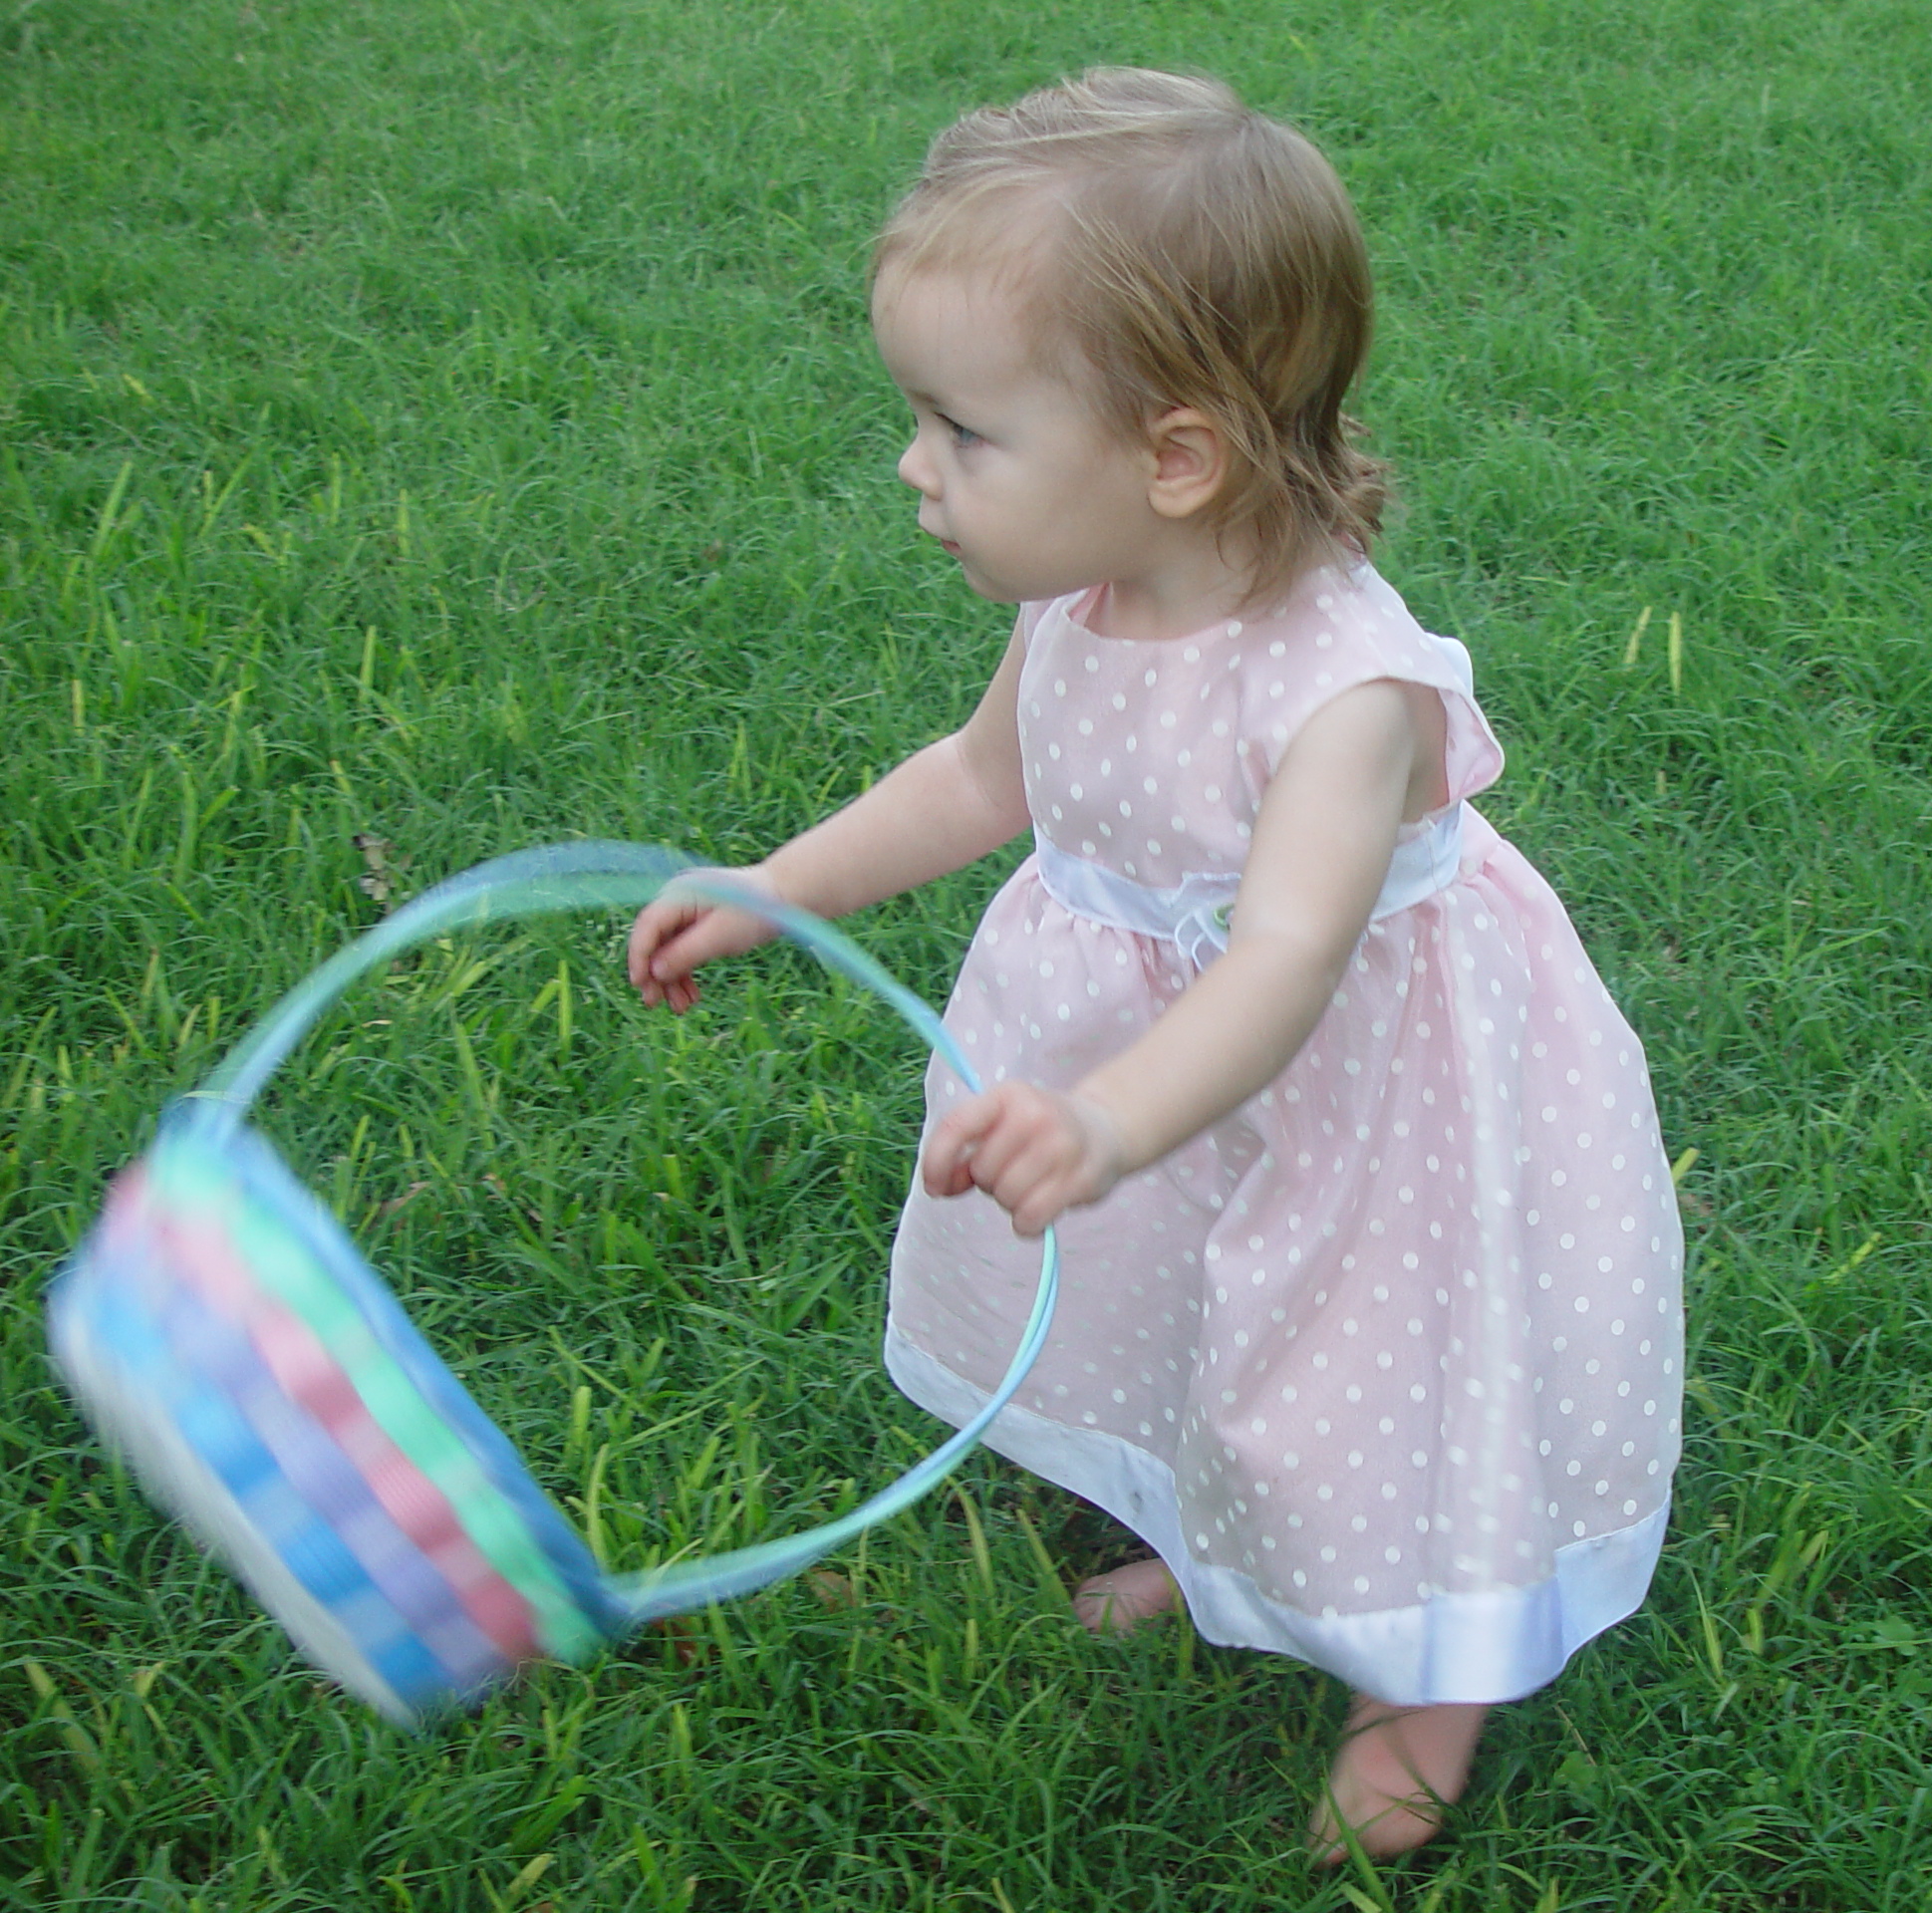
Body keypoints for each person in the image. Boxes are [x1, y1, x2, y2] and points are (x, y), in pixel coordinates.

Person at [626, 67, 1683, 1863]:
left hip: (1362, 1100)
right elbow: (982, 778)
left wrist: (1109, 1122)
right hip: (1156, 1074)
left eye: (962, 430)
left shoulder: (1339, 689)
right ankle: (1218, 1552)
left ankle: (1426, 1671)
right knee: (1188, 1314)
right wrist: (779, 886)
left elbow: (1281, 964)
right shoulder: (1083, 599)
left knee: (1367, 1372)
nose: (914, 466)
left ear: (1173, 454)